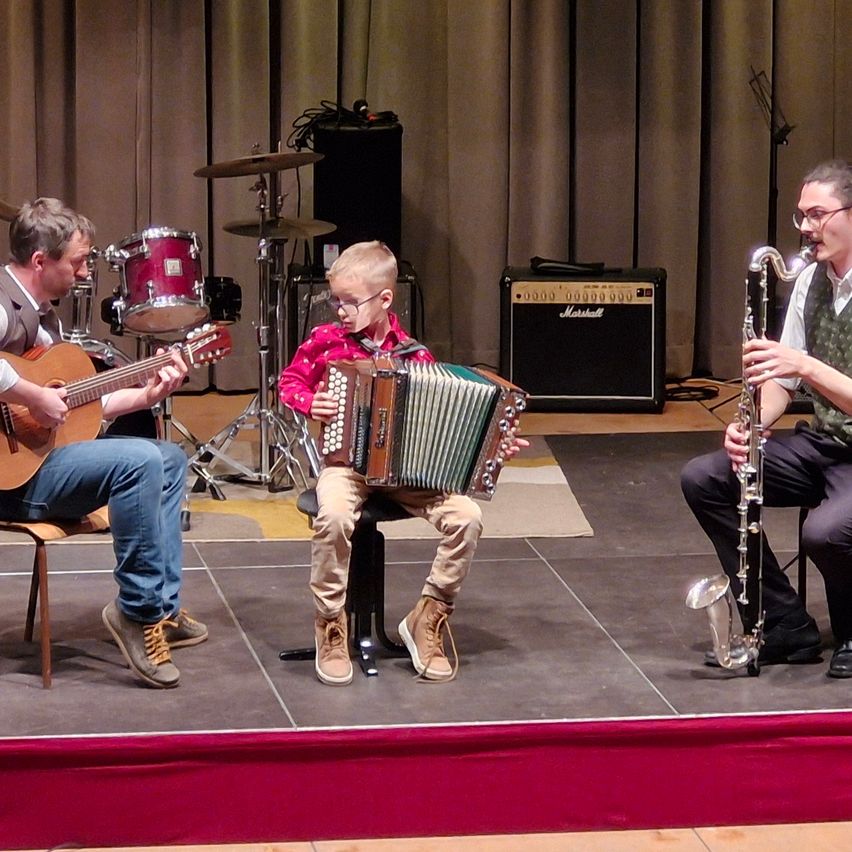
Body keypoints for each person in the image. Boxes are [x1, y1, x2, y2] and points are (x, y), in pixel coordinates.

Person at [279, 240, 527, 686]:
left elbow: (452, 428)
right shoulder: (326, 342)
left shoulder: (416, 355)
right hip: (346, 466)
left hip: (406, 474)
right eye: (336, 301)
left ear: (385, 299)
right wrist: (309, 401)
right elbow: (289, 381)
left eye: (351, 302)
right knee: (332, 515)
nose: (340, 311)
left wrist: (493, 446)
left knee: (467, 517)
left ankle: (428, 616)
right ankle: (330, 623)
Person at [0, 197, 206, 689]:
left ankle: (161, 609)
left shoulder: (44, 320)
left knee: (168, 459)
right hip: (10, 480)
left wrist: (147, 395)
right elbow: (38, 399)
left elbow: (79, 406)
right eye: (78, 261)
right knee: (139, 461)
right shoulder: (2, 303)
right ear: (39, 261)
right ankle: (135, 611)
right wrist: (31, 395)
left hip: (39, 464)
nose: (85, 271)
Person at [681, 159, 852, 678]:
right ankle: (782, 624)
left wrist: (805, 365)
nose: (806, 227)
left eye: (818, 214)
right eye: (802, 216)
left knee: (826, 532)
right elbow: (783, 380)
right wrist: (753, 424)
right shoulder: (811, 281)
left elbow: (801, 367)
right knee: (706, 478)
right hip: (826, 443)